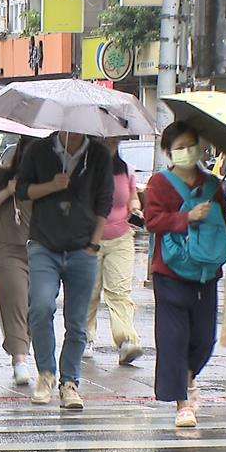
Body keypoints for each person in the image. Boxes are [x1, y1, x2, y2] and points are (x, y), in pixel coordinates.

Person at [143, 121, 226, 428]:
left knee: (204, 338)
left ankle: (188, 375)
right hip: (170, 271)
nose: (186, 152)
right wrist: (186, 217)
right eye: (179, 147)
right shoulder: (159, 183)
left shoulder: (213, 185)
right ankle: (183, 403)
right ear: (168, 152)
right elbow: (152, 221)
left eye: (190, 145)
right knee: (174, 338)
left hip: (206, 272)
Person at [16, 132, 113, 410]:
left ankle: (70, 382)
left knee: (77, 321)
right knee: (41, 306)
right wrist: (52, 185)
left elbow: (104, 201)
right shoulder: (39, 149)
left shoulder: (98, 154)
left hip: (83, 247)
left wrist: (93, 244)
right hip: (44, 244)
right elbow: (23, 190)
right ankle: (46, 373)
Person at [0, 139, 34, 386]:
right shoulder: (3, 175)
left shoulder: (52, 177)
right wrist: (8, 190)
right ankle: (19, 359)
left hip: (41, 250)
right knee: (15, 303)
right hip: (7, 248)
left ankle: (23, 347)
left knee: (37, 306)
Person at [85, 136, 144, 365]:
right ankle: (85, 338)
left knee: (119, 292)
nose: (109, 145)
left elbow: (133, 199)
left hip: (121, 238)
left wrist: (136, 210)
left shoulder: (126, 170)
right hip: (90, 240)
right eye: (104, 141)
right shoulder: (85, 170)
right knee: (90, 293)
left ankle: (126, 341)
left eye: (112, 142)